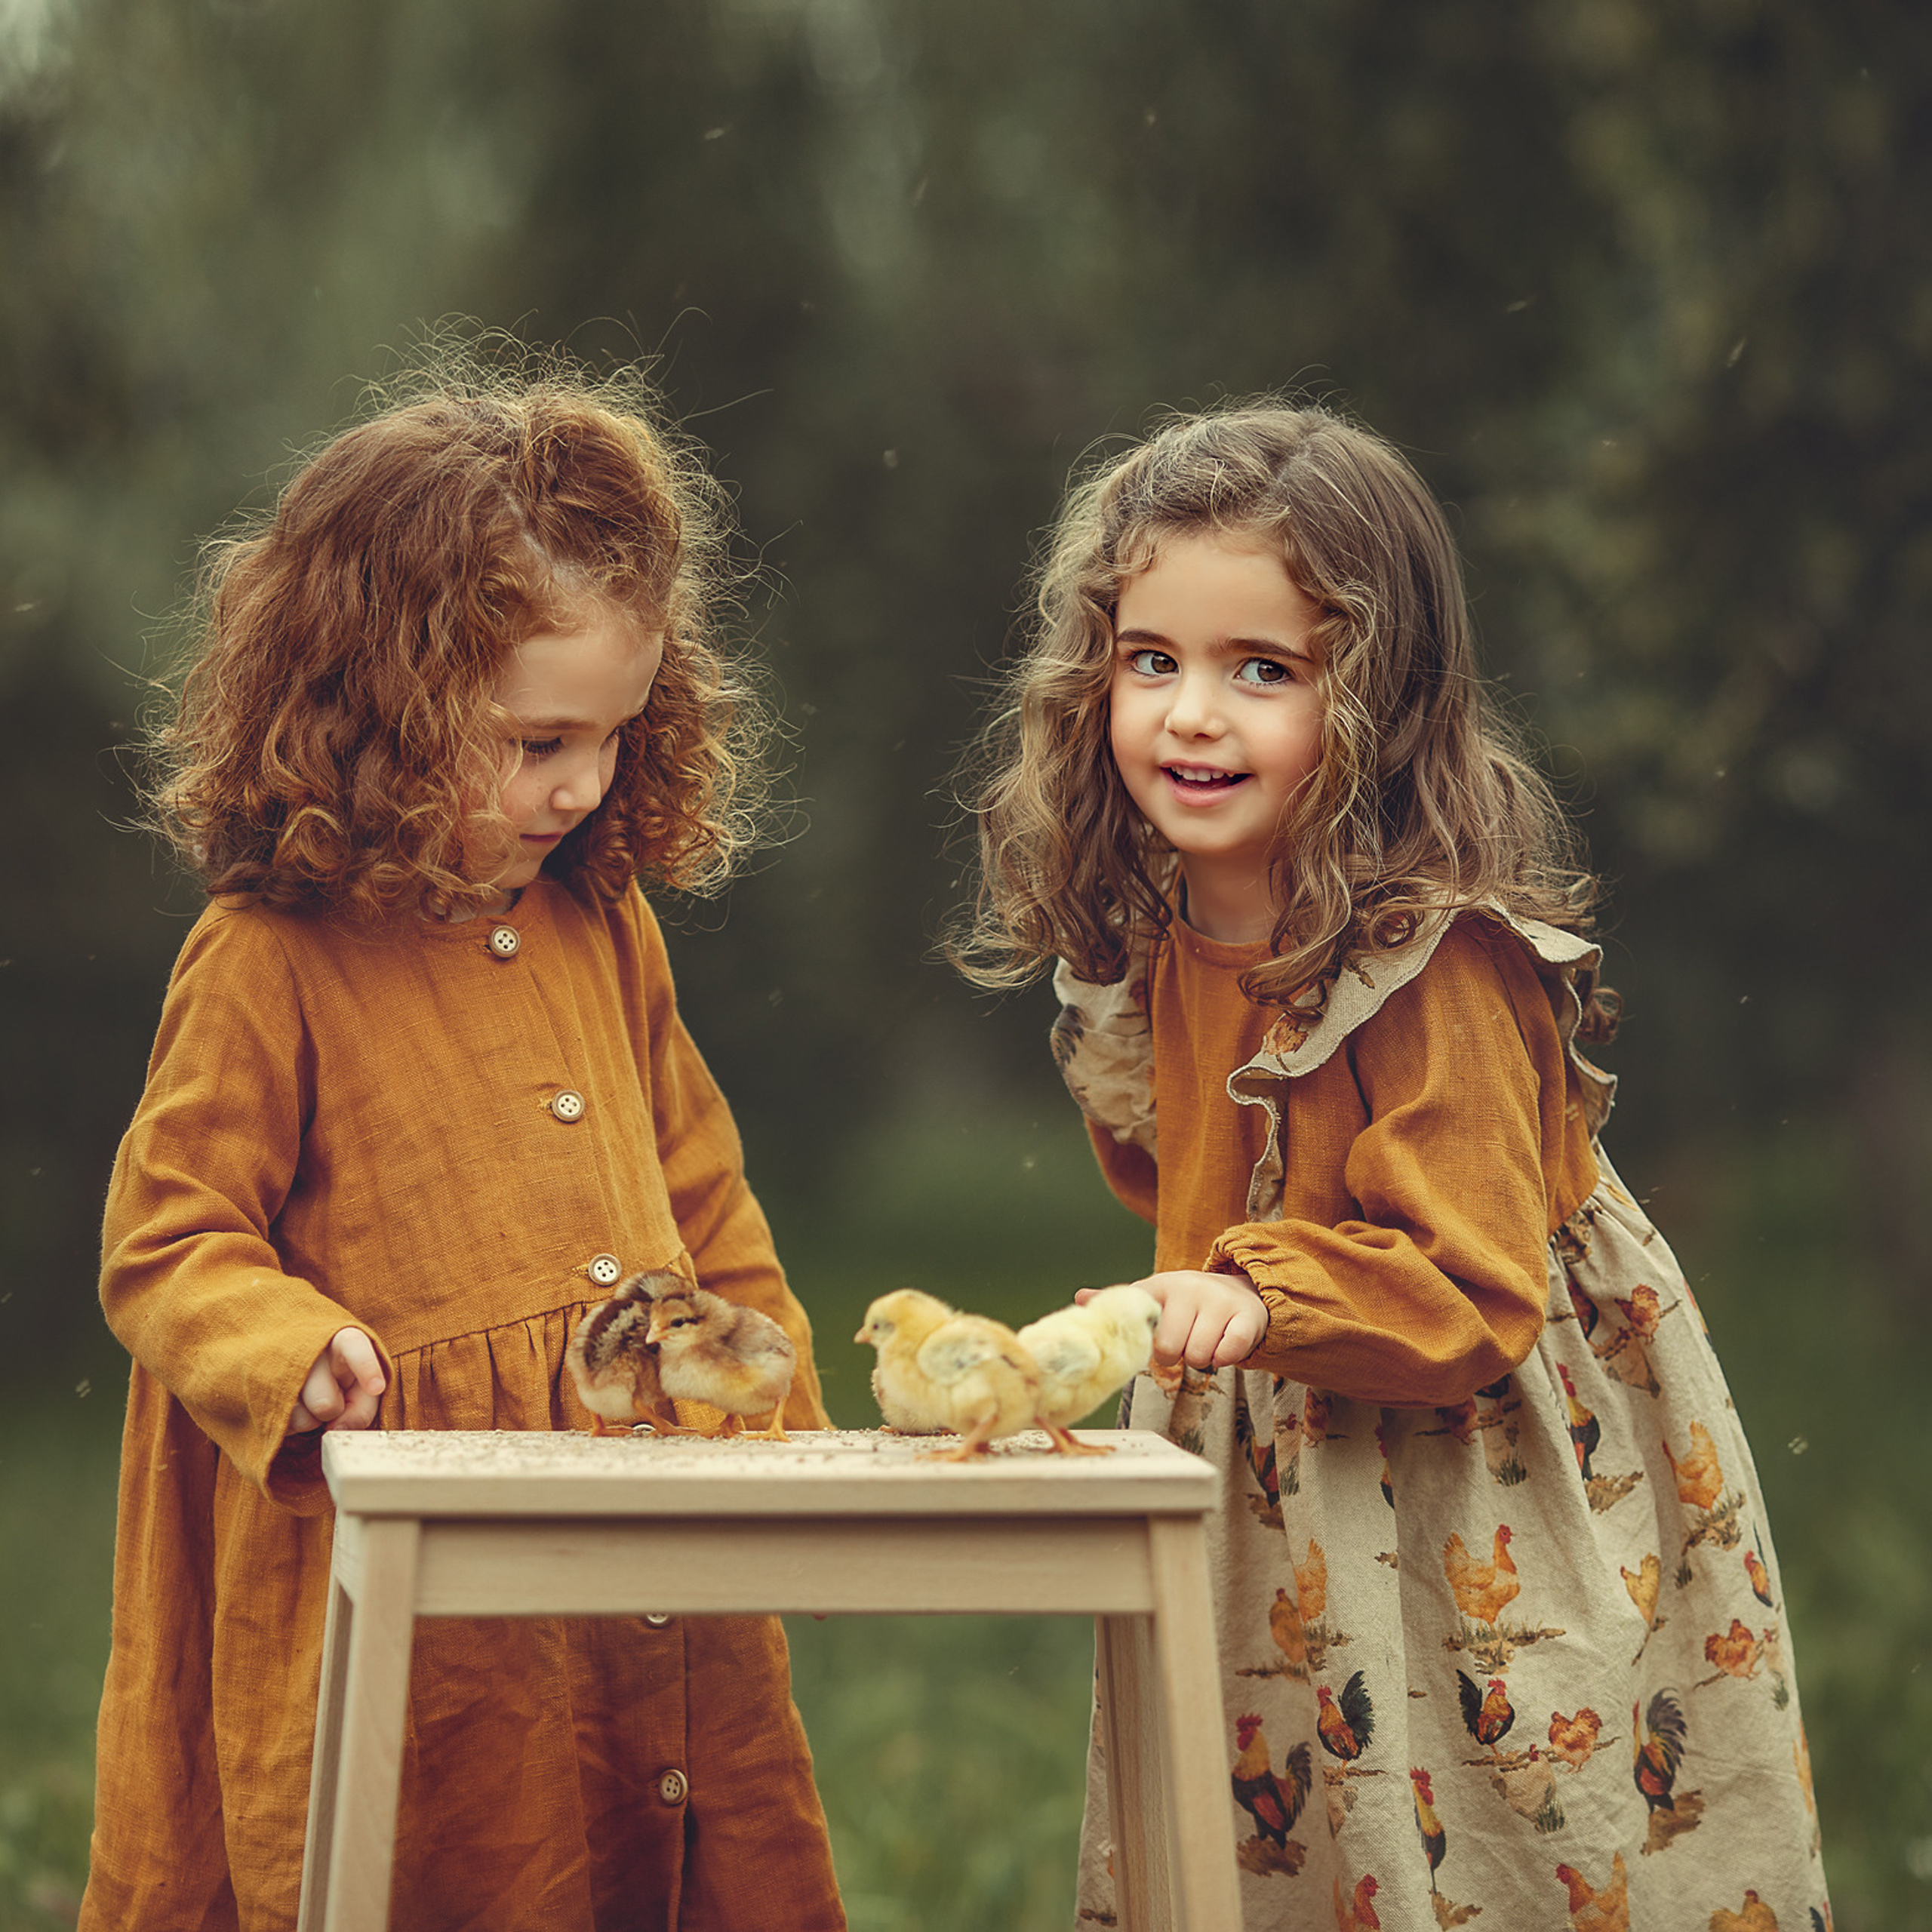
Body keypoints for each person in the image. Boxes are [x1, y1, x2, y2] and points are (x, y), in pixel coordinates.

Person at [954, 405, 1827, 1928]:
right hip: (1286, 1438)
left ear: (1371, 700)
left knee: (1491, 1824)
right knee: (1272, 1800)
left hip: (1469, 1459)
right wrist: (1209, 1279)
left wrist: (1244, 1284)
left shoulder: (1433, 963)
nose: (1189, 715)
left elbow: (1470, 1283)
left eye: (1261, 671)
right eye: (1149, 660)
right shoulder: (1174, 930)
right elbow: (1207, 1173)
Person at [83, 361, 845, 1932]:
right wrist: (287, 1345)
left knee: (669, 1836)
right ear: (375, 700)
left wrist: (778, 1413)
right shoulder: (269, 952)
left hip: (638, 1543)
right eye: (532, 738)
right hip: (411, 1566)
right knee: (477, 1855)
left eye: (614, 736)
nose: (577, 784)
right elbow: (167, 1236)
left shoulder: (599, 918)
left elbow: (698, 1186)